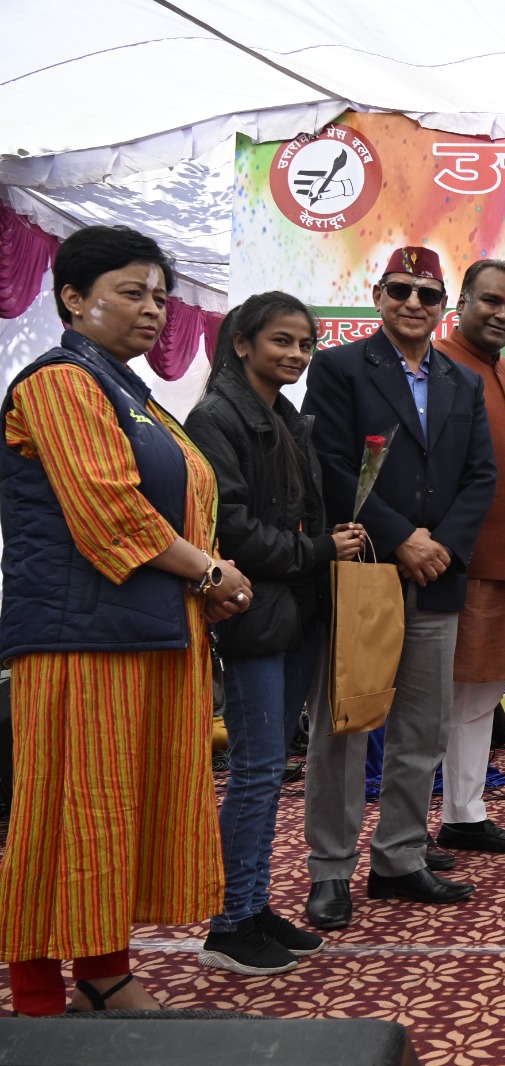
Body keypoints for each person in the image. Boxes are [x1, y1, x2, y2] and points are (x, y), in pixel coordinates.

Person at [0, 225, 252, 1015]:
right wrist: (208, 570)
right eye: (133, 293)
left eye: (162, 298)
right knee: (62, 811)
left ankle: (103, 975)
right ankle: (36, 994)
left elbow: (178, 508)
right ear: (74, 299)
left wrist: (207, 579)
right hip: (80, 638)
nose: (153, 310)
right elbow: (108, 510)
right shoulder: (60, 383)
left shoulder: (129, 394)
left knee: (110, 814)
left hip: (147, 630)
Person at [300, 245, 496, 929]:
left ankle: (399, 857)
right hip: (364, 570)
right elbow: (328, 465)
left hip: (436, 574)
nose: (414, 303)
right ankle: (330, 868)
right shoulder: (340, 367)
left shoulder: (462, 381)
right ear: (378, 296)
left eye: (427, 294)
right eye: (401, 290)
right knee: (343, 724)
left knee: (422, 728)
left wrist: (440, 547)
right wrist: (402, 538)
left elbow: (481, 476)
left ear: (444, 307)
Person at [184, 293, 365, 975]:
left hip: (294, 610)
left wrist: (322, 542)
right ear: (242, 343)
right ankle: (230, 923)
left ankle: (254, 906)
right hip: (254, 612)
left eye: (304, 344)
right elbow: (229, 529)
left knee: (264, 769)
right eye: (281, 341)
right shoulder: (216, 417)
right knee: (256, 771)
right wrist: (318, 550)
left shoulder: (285, 416)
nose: (295, 354)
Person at [431, 259, 505, 858]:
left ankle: (465, 814)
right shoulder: (434, 366)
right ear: (461, 303)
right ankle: (408, 831)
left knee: (479, 696)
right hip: (448, 562)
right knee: (436, 699)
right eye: (491, 301)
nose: (503, 314)